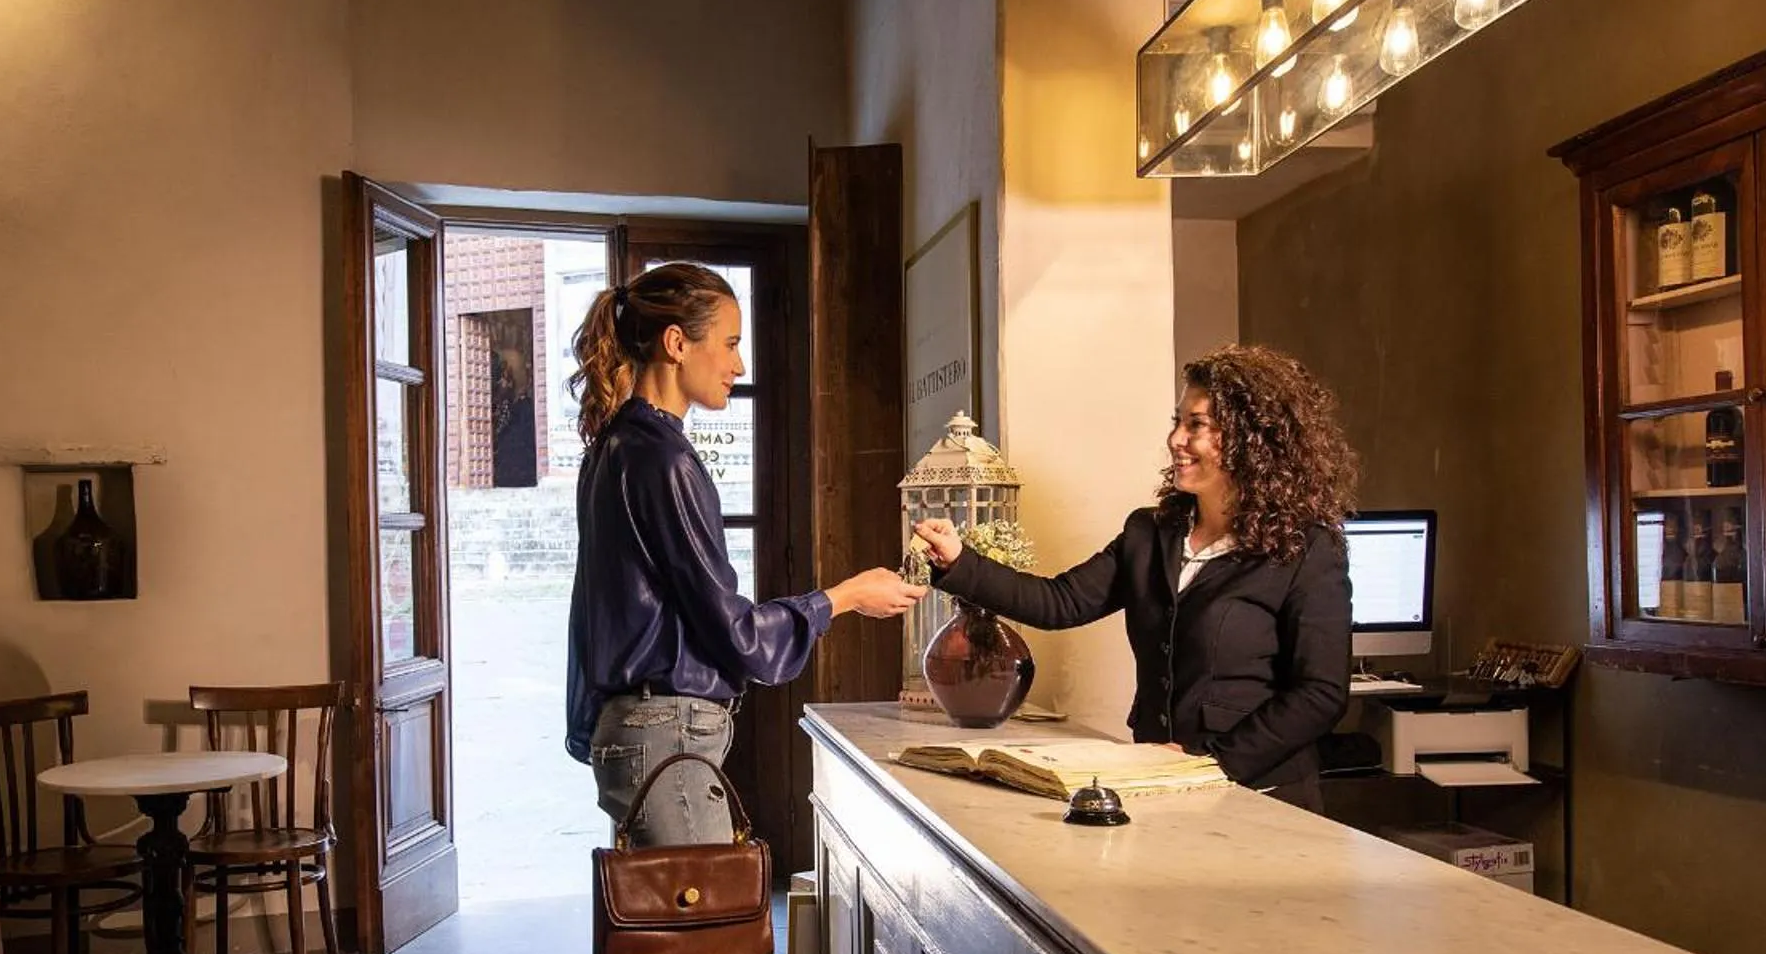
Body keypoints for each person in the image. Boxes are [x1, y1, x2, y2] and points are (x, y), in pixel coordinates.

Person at [568, 262, 923, 844]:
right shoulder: (662, 458)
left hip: (640, 733)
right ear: (677, 343)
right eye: (730, 344)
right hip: (666, 739)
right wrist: (847, 596)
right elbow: (733, 631)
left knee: (669, 927)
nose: (739, 365)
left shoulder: (616, 447)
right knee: (702, 930)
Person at [913, 345, 1356, 809]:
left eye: (1196, 425)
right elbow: (1058, 601)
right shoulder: (1150, 532)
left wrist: (1209, 761)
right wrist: (958, 561)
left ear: (1251, 439)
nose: (1176, 439)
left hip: (1265, 797)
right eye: (1176, 421)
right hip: (1163, 790)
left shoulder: (1306, 548)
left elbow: (1320, 694)